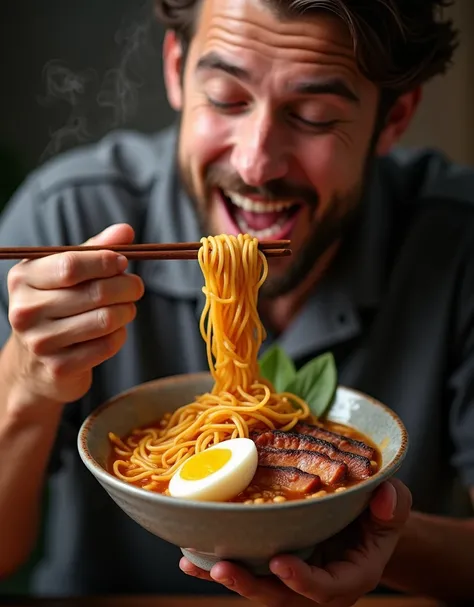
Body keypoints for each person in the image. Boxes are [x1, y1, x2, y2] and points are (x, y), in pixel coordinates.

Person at [0, 0, 474, 604]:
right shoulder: (64, 223)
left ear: (394, 117)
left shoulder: (458, 244)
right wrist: (27, 379)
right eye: (226, 98)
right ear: (177, 69)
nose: (255, 164)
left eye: (314, 115)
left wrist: (360, 532)